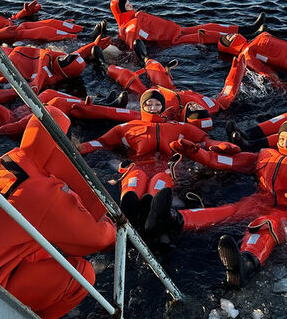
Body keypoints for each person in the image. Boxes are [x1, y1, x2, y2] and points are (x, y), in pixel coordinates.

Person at [0, 107, 115, 319]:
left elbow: (37, 206)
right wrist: (111, 226)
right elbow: (95, 239)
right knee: (83, 274)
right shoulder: (43, 192)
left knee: (44, 246)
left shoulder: (10, 158)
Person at [148, 121, 287, 288]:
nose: (285, 144)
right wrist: (197, 154)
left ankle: (246, 262)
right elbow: (226, 161)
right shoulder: (265, 155)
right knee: (230, 210)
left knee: (266, 225)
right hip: (260, 200)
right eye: (282, 138)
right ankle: (175, 218)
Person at [79, 89, 235, 227]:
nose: (153, 108)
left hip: (166, 170)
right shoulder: (127, 127)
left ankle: (154, 212)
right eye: (149, 104)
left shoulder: (179, 127)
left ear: (163, 107)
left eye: (157, 104)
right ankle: (128, 209)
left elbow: (204, 140)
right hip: (136, 168)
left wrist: (219, 145)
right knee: (135, 179)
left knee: (160, 179)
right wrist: (81, 147)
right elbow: (102, 142)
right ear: (143, 106)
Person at [104, 54, 248, 119]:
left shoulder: (165, 115)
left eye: (194, 110)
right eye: (196, 107)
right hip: (170, 91)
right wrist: (237, 69)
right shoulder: (211, 107)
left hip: (153, 98)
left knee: (130, 78)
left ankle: (103, 65)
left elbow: (129, 115)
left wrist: (110, 107)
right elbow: (227, 94)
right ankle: (145, 57)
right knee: (157, 68)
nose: (194, 106)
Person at [109, 0, 265, 52]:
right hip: (173, 41)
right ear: (121, 11)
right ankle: (247, 40)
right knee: (204, 35)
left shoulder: (136, 18)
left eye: (130, 3)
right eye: (127, 6)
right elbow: (133, 47)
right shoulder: (129, 28)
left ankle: (247, 29)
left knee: (208, 26)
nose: (132, 6)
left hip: (178, 30)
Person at [0, 0, 86, 43]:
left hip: (12, 27)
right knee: (43, 30)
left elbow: (6, 19)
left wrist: (22, 14)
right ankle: (80, 38)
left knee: (49, 22)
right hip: (8, 35)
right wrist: (0, 34)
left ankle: (80, 29)